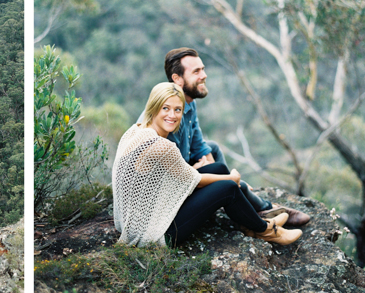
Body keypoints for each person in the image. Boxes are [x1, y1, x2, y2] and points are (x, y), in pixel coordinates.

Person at [114, 82, 303, 247]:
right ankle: (266, 230)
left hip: (139, 218)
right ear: (153, 108)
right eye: (165, 108)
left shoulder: (137, 131)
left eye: (177, 110)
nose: (172, 115)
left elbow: (176, 175)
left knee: (218, 168)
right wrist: (234, 178)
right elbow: (195, 180)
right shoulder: (161, 145)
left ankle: (249, 223)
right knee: (228, 187)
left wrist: (218, 174)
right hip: (155, 233)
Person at [137, 47, 310, 226]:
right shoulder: (167, 118)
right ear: (177, 79)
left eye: (203, 69)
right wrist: (219, 178)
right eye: (196, 71)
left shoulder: (188, 104)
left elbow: (200, 147)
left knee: (213, 149)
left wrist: (221, 176)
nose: (204, 75)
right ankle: (259, 208)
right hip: (167, 193)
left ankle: (239, 197)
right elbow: (174, 177)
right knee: (228, 181)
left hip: (183, 171)